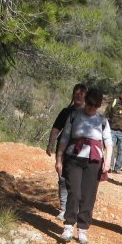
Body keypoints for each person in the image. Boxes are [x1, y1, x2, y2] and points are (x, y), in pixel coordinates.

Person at [55, 88, 113, 244]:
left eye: (94, 106)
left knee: (88, 195)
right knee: (74, 191)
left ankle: (82, 229)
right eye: (89, 104)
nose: (90, 108)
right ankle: (68, 226)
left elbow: (108, 143)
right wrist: (59, 158)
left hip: (94, 161)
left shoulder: (102, 120)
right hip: (74, 157)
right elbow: (65, 137)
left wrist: (107, 161)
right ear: (86, 101)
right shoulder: (74, 116)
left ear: (98, 106)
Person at [46, 83, 87, 220]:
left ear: (86, 96)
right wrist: (50, 144)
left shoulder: (89, 114)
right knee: (63, 179)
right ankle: (64, 208)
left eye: (81, 93)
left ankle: (75, 208)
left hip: (81, 153)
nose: (78, 95)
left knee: (79, 182)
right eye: (76, 93)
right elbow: (56, 129)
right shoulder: (66, 112)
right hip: (63, 151)